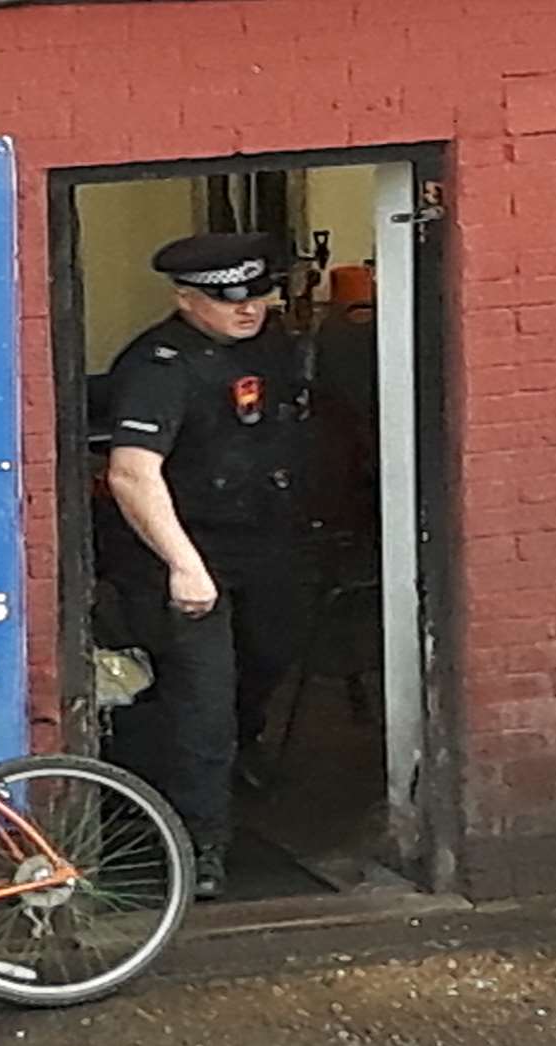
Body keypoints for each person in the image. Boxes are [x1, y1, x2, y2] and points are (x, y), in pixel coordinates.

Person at [96, 232, 313, 900]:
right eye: (227, 300)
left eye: (258, 295)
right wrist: (185, 566)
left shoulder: (270, 348)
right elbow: (132, 474)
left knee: (274, 654)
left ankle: (236, 761)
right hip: (184, 551)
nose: (248, 309)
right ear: (185, 299)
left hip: (265, 543)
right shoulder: (159, 365)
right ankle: (199, 847)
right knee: (201, 706)